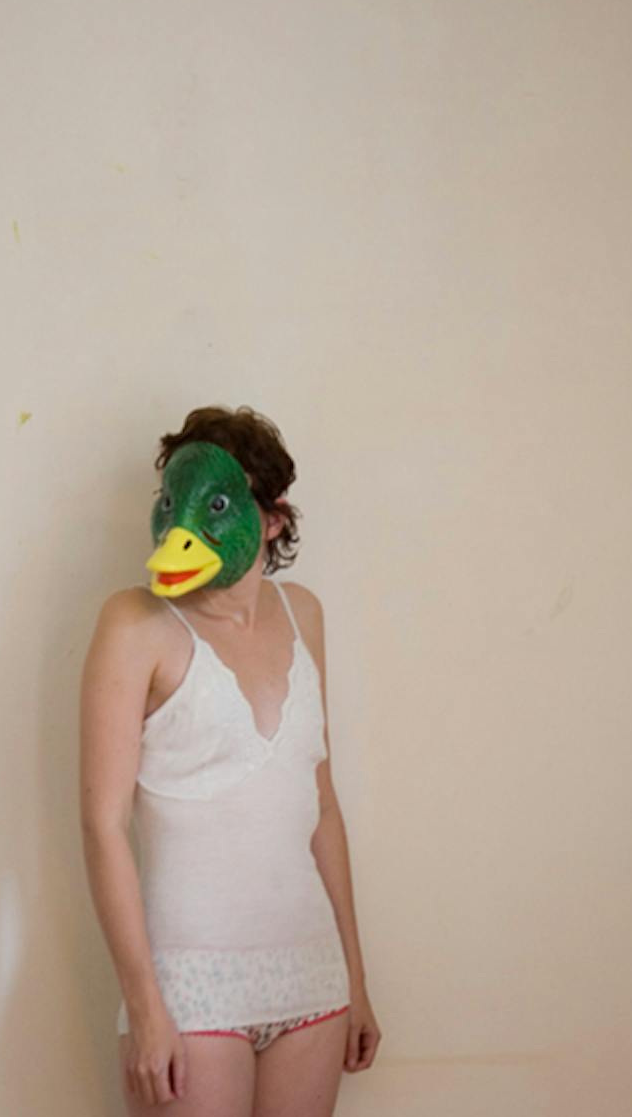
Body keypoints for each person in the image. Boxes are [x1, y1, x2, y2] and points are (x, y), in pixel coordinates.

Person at [79, 405, 381, 1114]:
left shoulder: (304, 614)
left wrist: (355, 980)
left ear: (272, 520)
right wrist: (145, 1007)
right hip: (190, 989)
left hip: (311, 978)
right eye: (171, 501)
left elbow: (321, 807)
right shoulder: (134, 623)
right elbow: (101, 825)